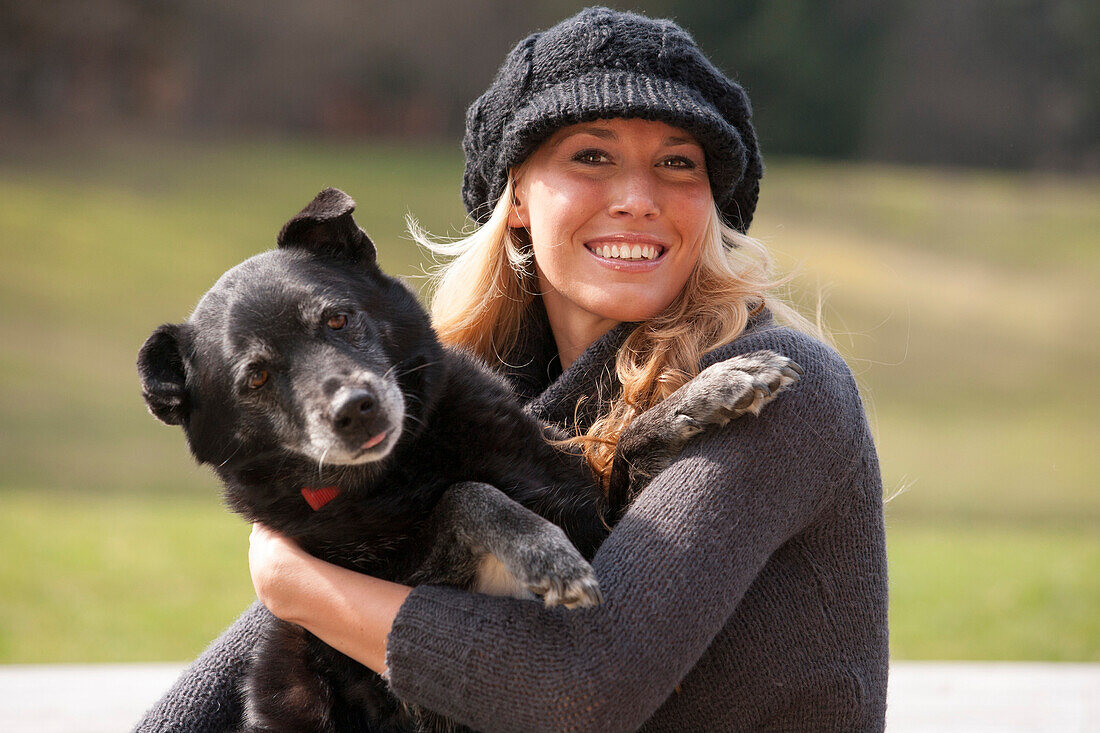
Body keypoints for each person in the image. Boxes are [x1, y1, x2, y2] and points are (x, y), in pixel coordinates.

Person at [136, 7, 888, 732]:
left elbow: (584, 691)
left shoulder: (783, 387)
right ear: (518, 195)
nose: (637, 198)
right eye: (592, 157)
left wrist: (301, 586)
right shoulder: (487, 399)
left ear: (711, 202)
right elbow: (266, 650)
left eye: (677, 164)